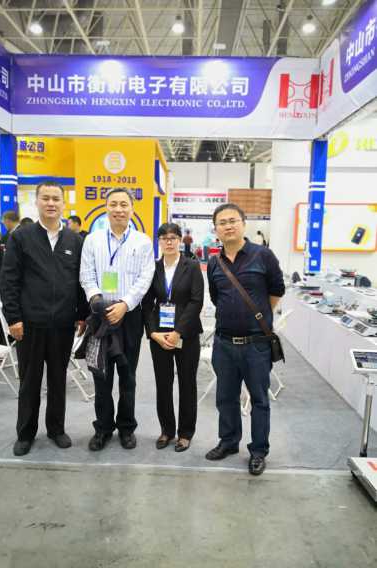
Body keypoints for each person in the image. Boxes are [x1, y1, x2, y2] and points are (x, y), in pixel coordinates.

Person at [0, 181, 88, 457]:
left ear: (63, 203)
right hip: (30, 324)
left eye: (56, 199)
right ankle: (25, 433)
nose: (51, 203)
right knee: (29, 381)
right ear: (36, 202)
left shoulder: (75, 241)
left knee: (58, 379)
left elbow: (81, 281)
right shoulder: (21, 237)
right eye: (46, 198)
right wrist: (13, 317)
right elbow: (9, 279)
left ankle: (56, 429)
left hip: (63, 324)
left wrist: (82, 314)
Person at [206, 203, 285, 476]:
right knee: (225, 398)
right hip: (224, 343)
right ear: (216, 229)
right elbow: (216, 297)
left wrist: (259, 317)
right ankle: (228, 442)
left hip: (256, 345)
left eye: (233, 220)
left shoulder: (263, 255)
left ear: (243, 223)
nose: (228, 226)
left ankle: (258, 451)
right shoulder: (214, 263)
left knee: (259, 400)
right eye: (222, 222)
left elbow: (276, 290)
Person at [80, 188, 155, 452]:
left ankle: (126, 428)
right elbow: (86, 274)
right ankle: (102, 428)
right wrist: (96, 299)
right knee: (101, 376)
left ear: (132, 209)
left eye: (124, 204)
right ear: (106, 208)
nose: (119, 209)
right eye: (114, 204)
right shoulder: (93, 240)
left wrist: (125, 304)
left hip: (129, 317)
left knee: (127, 376)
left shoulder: (143, 242)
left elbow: (145, 278)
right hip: (100, 316)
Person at [142, 223, 204, 452]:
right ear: (158, 242)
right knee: (163, 384)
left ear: (180, 240)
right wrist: (153, 333)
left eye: (173, 238)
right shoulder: (153, 267)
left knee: (187, 384)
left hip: (186, 335)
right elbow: (147, 303)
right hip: (160, 335)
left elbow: (196, 301)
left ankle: (185, 433)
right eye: (164, 238)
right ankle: (167, 430)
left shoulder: (192, 266)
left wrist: (178, 331)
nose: (169, 242)